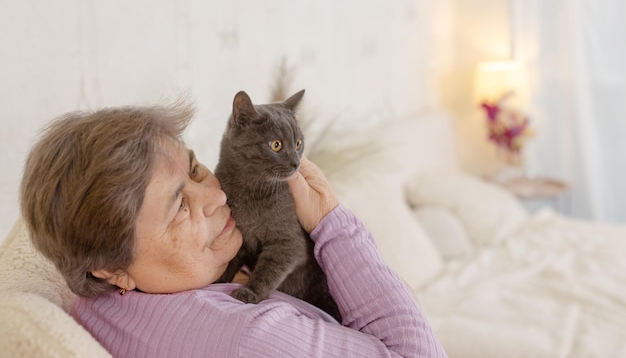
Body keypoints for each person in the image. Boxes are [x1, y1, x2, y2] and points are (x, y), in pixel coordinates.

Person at [20, 102, 447, 358]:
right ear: (110, 269)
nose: (217, 197)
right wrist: (331, 220)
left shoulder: (103, 296)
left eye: (194, 168)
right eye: (180, 206)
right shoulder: (245, 339)